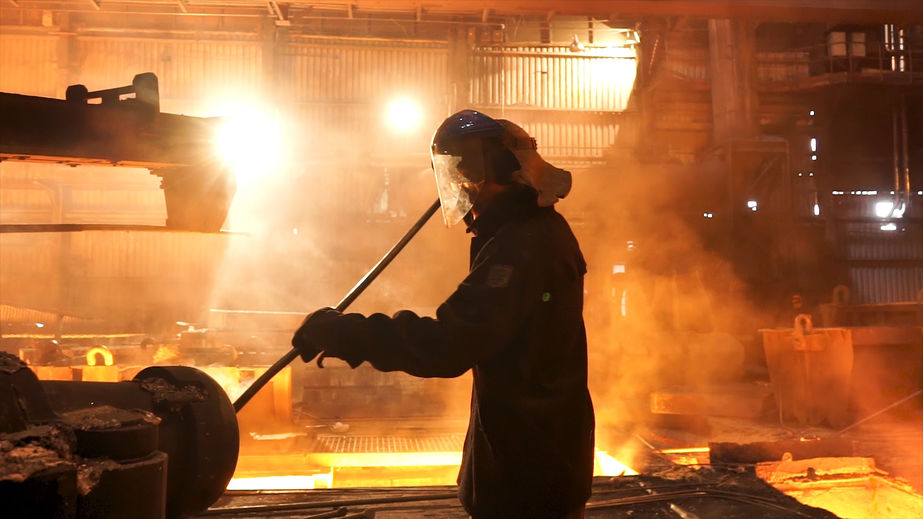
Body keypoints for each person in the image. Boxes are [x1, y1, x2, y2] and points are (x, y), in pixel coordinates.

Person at [292, 110, 595, 519]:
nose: (458, 185)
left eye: (461, 171)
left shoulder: (523, 244)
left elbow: (448, 345)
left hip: (529, 477)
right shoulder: (531, 232)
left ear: (487, 170)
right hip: (537, 460)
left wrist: (343, 333)